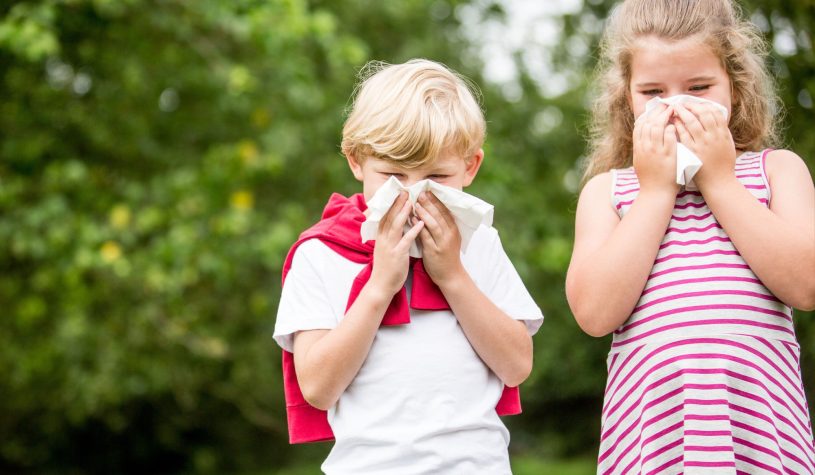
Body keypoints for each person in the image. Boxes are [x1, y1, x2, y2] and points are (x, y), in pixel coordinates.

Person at [565, 1, 815, 473]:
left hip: (757, 431)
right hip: (656, 436)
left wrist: (719, 181)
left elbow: (806, 285)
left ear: (735, 89)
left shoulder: (776, 171)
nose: (676, 106)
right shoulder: (609, 192)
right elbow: (595, 314)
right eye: (653, 92)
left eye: (699, 88)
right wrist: (657, 190)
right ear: (628, 99)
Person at [274, 59, 543, 474]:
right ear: (356, 160)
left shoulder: (479, 244)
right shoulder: (321, 254)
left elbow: (516, 365)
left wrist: (452, 274)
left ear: (470, 167)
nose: (414, 194)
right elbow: (318, 388)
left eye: (437, 176)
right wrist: (381, 285)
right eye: (393, 175)